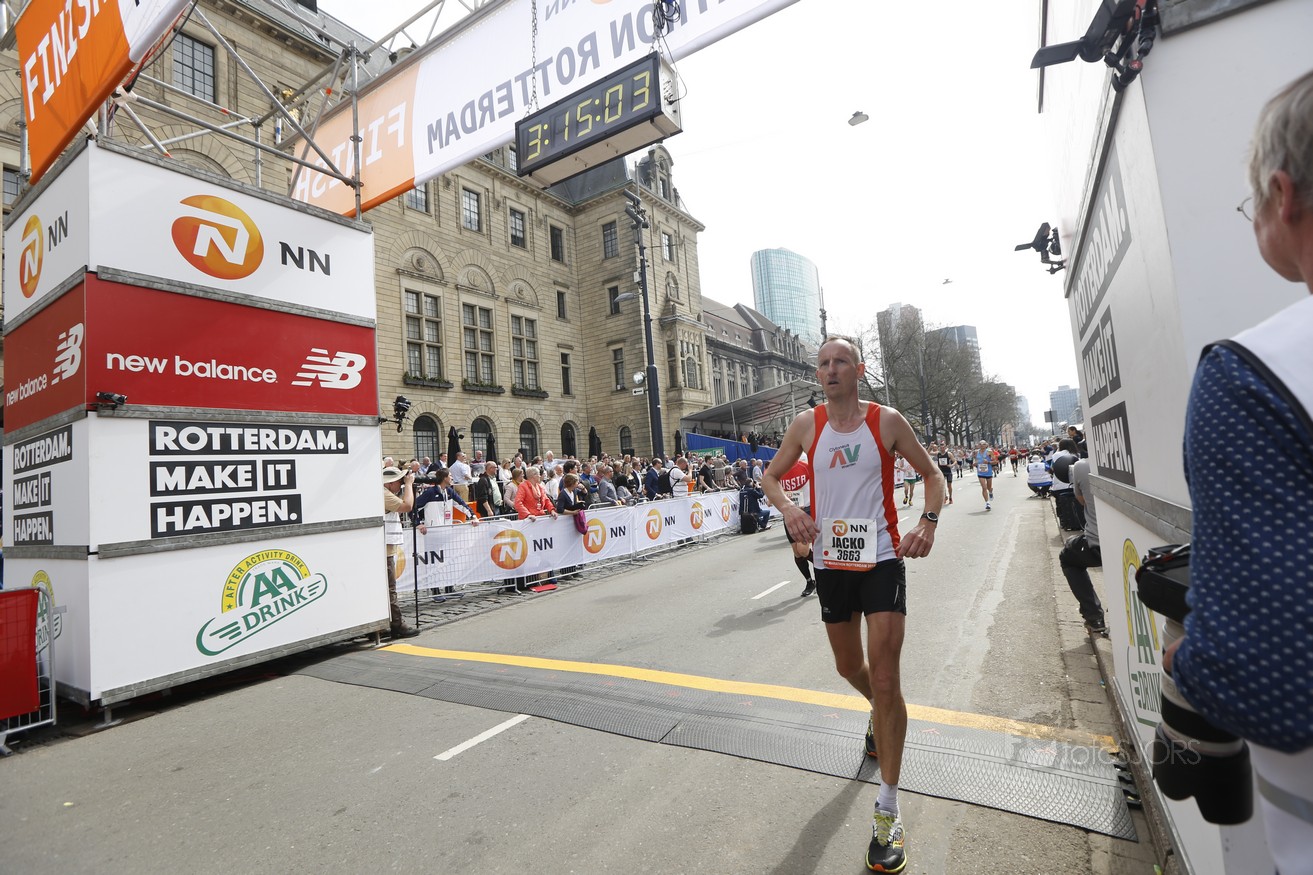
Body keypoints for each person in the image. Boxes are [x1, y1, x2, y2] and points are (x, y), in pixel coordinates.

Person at [1164, 70, 1313, 875]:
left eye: (1248, 201)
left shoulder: (1250, 374)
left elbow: (1270, 676)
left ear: (1281, 197)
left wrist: (1186, 661)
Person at [763, 337, 943, 874]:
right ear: (817, 374)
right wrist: (790, 510)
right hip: (831, 562)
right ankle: (878, 712)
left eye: (841, 361)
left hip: (882, 558)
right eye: (823, 363)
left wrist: (928, 521)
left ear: (859, 370)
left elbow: (932, 474)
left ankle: (888, 810)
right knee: (849, 667)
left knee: (886, 680)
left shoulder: (886, 421)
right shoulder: (806, 425)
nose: (831, 369)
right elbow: (770, 476)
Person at [1058, 457, 1106, 634]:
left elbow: (1081, 500)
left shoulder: (1082, 466)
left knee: (1067, 557)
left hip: (1098, 543)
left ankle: (1094, 617)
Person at [381, 467, 420, 639]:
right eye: (399, 481)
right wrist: (409, 485)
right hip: (384, 549)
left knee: (385, 589)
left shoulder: (383, 492)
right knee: (390, 589)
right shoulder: (383, 494)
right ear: (390, 483)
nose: (401, 484)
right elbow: (407, 506)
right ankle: (397, 625)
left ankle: (383, 625)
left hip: (384, 547)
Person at [972, 440, 994, 510]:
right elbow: (975, 460)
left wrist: (988, 462)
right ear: (978, 445)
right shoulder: (976, 452)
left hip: (988, 472)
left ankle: (990, 491)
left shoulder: (989, 452)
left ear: (986, 445)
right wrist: (975, 464)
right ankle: (987, 503)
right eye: (980, 444)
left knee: (989, 487)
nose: (982, 445)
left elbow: (995, 461)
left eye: (983, 444)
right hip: (980, 472)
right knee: (984, 488)